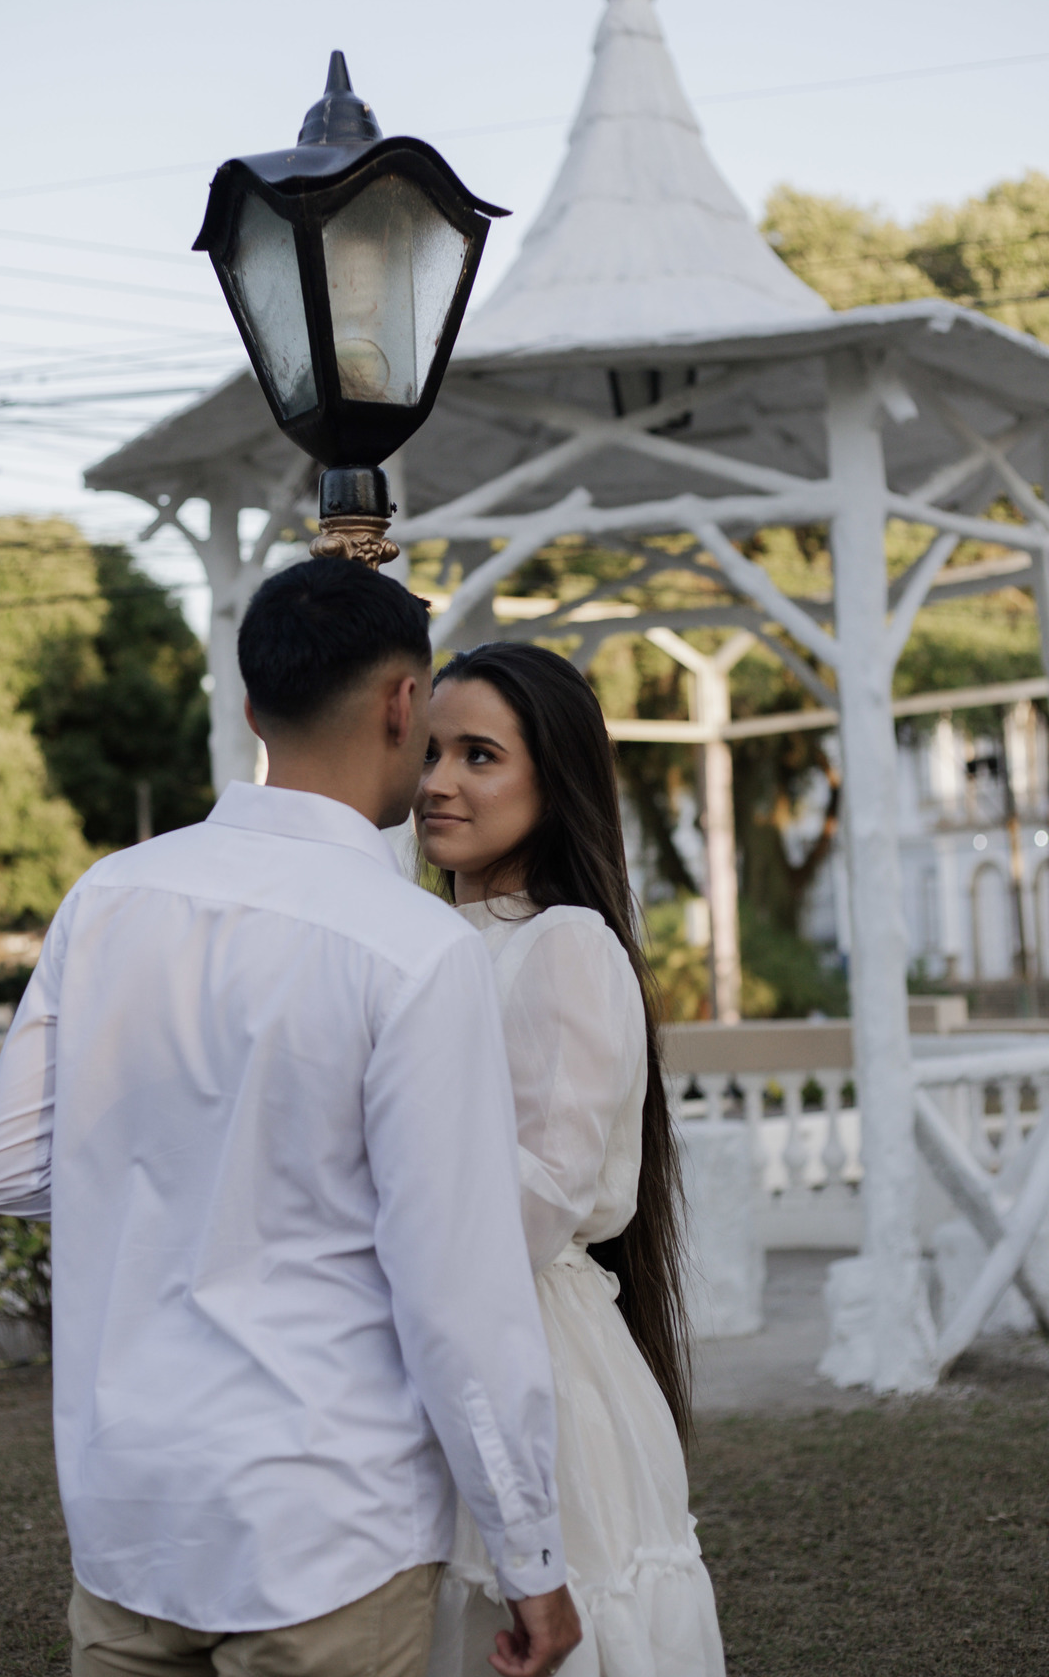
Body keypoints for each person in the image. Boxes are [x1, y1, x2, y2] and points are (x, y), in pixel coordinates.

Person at [0, 561, 581, 1677]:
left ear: (254, 708)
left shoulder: (108, 896)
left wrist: (178, 1168)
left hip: (129, 1511)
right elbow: (458, 1292)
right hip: (327, 1526)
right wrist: (531, 1552)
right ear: (404, 703)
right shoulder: (413, 949)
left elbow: (8, 1169)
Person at [415, 643, 725, 1677]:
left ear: (554, 781)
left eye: (479, 755)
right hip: (439, 1336)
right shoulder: (429, 940)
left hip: (524, 1345)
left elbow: (543, 1194)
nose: (439, 782)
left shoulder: (562, 944)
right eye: (428, 752)